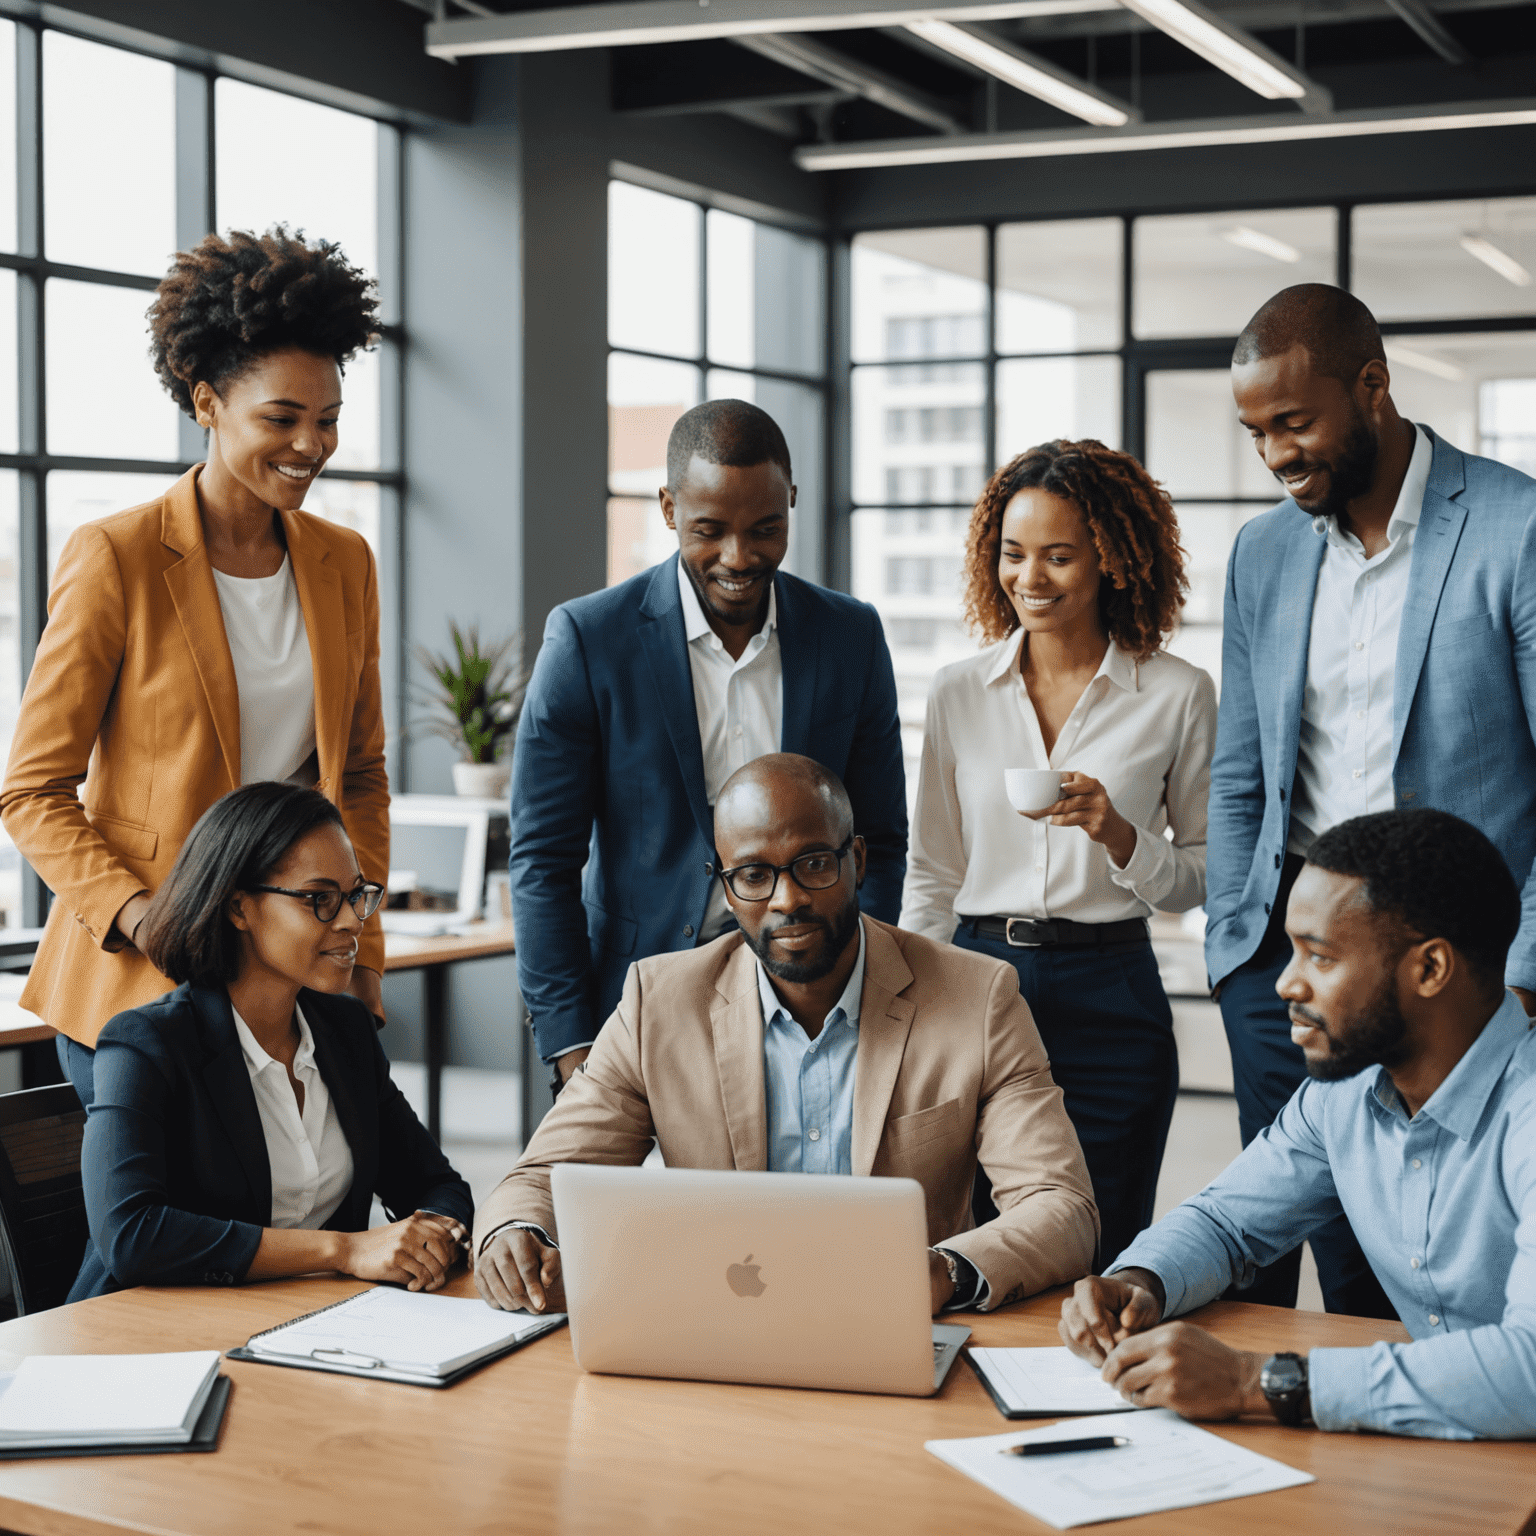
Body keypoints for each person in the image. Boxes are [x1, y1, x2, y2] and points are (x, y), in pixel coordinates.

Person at [476, 754, 1097, 1316]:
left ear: (856, 860)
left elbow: (1062, 1206)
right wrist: (516, 1233)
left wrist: (944, 1272)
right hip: (715, 1323)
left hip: (892, 1328)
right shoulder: (658, 1002)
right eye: (753, 875)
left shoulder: (978, 998)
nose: (787, 899)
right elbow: (540, 1178)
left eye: (814, 865)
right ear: (726, 886)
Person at [1, 228, 391, 1107]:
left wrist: (358, 946)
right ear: (207, 402)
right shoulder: (118, 556)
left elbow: (358, 775)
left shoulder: (345, 562)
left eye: (326, 418)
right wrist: (148, 921)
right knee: (159, 1240)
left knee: (308, 1226)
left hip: (290, 978)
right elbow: (31, 791)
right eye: (280, 419)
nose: (311, 444)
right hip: (139, 985)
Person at [1207, 282, 1536, 1315]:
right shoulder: (1263, 552)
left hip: (1462, 979)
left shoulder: (1514, 528)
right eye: (1256, 431)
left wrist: (1522, 974)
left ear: (1374, 388)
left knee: (1439, 1259)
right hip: (1285, 962)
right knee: (1304, 1229)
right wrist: (1234, 951)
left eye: (1295, 423)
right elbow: (1241, 771)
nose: (1275, 454)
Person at [1059, 809, 1536, 1441]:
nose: (1286, 982)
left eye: (1321, 956)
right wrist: (1138, 1279)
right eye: (1292, 950)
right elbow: (1225, 1223)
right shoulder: (1343, 1096)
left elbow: (1530, 1369)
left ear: (1429, 970)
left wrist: (1254, 1380)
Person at [511, 400, 907, 1092]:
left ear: (792, 501)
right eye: (709, 530)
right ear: (667, 508)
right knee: (635, 1204)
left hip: (813, 1001)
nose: (738, 556)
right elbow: (543, 861)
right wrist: (572, 1041)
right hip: (637, 1008)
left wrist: (855, 989)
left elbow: (882, 838)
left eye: (765, 529)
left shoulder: (851, 637)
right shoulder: (586, 641)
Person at [900, 439, 1215, 1270]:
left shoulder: (1177, 694)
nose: (1029, 578)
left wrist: (1119, 835)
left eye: (1058, 556)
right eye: (1013, 554)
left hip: (1111, 991)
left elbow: (1204, 876)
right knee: (970, 1237)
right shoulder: (960, 691)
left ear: (1112, 560)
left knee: (1104, 1240)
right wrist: (908, 1005)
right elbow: (932, 870)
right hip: (973, 982)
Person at [71, 782, 472, 1302]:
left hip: (313, 1322)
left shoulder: (344, 1030)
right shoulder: (147, 1044)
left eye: (355, 896)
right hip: (150, 1344)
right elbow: (132, 1236)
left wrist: (432, 1238)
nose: (352, 920)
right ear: (239, 908)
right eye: (319, 900)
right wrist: (343, 1251)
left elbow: (436, 1184)